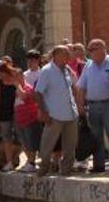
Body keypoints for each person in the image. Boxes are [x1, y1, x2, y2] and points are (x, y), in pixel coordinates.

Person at [33, 45, 80, 177]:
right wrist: (44, 112)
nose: (68, 56)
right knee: (48, 143)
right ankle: (43, 167)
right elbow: (38, 93)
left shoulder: (67, 70)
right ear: (56, 55)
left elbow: (73, 89)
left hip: (71, 113)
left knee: (70, 145)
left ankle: (66, 170)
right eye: (65, 53)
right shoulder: (47, 71)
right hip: (54, 113)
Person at [78, 39, 109, 173]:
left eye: (92, 49)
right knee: (96, 136)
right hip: (92, 105)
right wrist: (80, 106)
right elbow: (81, 87)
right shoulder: (88, 65)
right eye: (89, 50)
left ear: (103, 48)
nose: (89, 52)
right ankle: (98, 165)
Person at [0, 63, 20, 171]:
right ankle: (9, 162)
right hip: (3, 112)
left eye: (2, 73)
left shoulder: (15, 80)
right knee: (6, 138)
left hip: (17, 112)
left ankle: (17, 159)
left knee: (20, 137)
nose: (1, 75)